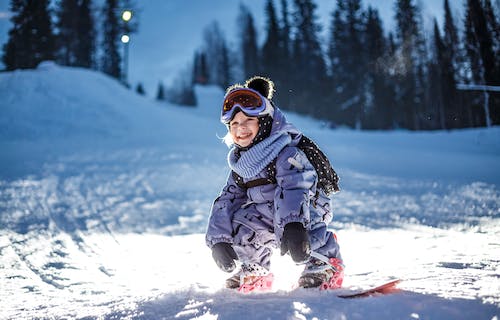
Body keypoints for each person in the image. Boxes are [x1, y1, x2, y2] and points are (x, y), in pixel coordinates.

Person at [205, 76, 343, 292]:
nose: (241, 128)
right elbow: (226, 200)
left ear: (265, 121)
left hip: (306, 208)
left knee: (294, 214)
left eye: (248, 120)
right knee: (242, 221)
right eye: (234, 124)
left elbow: (295, 187)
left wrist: (294, 224)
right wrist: (219, 240)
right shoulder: (243, 166)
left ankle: (325, 261)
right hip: (273, 214)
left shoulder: (286, 152)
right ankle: (255, 267)